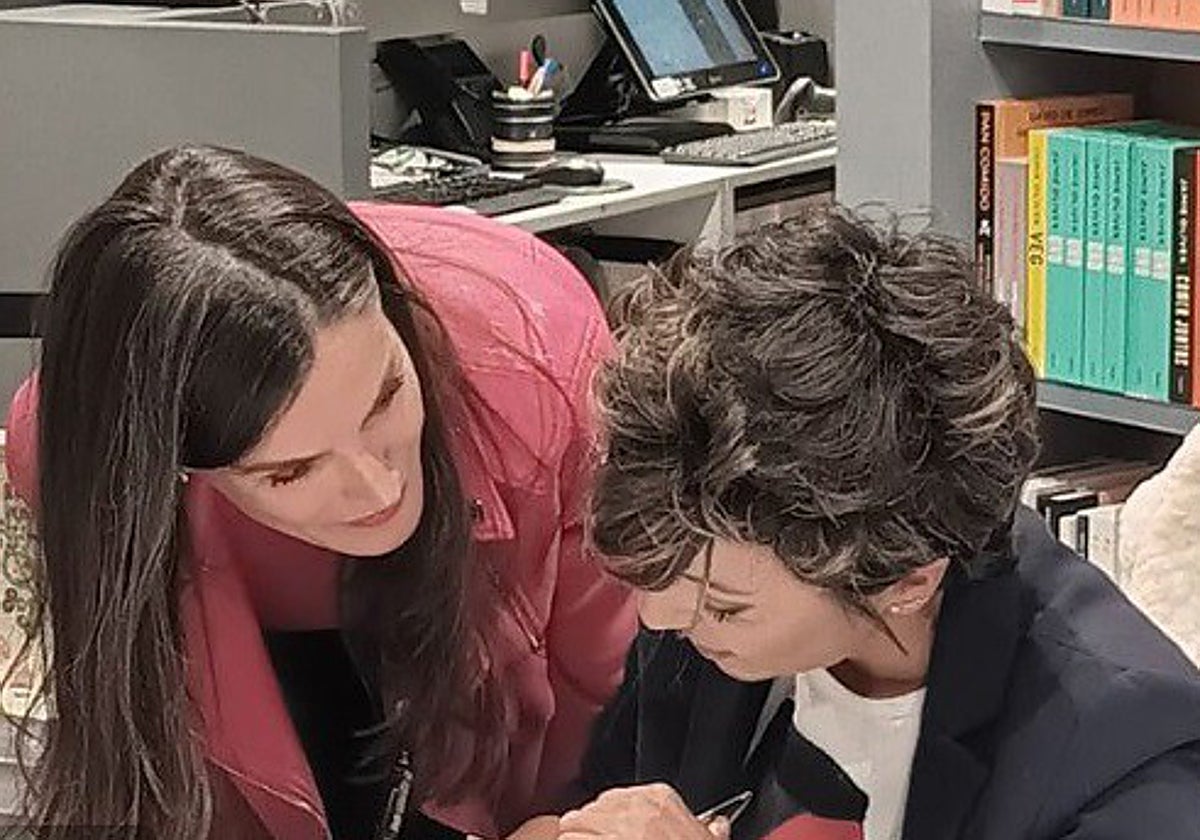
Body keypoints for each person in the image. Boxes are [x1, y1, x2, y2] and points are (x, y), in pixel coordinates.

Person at [2, 145, 636, 840]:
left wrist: (563, 824)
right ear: (178, 468)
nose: (377, 487)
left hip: (489, 725)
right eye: (292, 470)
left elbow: (601, 700)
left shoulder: (537, 352)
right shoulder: (85, 454)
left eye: (385, 397)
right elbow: (156, 757)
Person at [561, 207, 1200, 840]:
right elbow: (602, 799)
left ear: (907, 581)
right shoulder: (696, 577)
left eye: (725, 609)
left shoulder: (1126, 761)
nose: (657, 617)